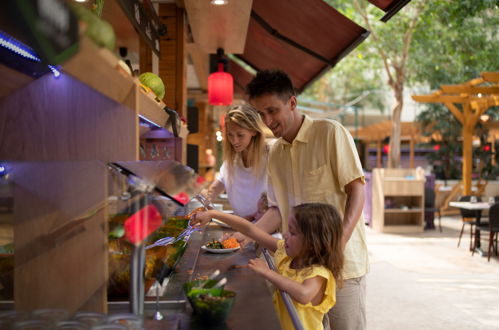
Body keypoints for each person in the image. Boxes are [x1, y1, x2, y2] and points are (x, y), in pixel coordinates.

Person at [241, 69, 368, 330]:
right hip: (300, 268)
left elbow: (357, 189)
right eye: (260, 114)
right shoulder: (275, 153)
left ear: (292, 103)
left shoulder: (330, 133)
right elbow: (277, 209)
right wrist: (246, 236)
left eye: (273, 111)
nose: (268, 120)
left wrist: (338, 243)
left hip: (343, 265)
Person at [191, 202, 344, 330]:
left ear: (312, 242)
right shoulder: (286, 253)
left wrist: (268, 272)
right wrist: (214, 214)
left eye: (292, 232)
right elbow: (251, 230)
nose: (285, 235)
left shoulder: (318, 273)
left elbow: (304, 295)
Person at [202, 104, 269, 220]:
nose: (234, 141)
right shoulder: (232, 162)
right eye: (230, 135)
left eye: (240, 135)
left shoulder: (270, 157)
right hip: (242, 229)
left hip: (266, 230)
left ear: (253, 131)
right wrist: (201, 203)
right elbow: (213, 190)